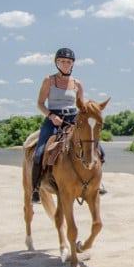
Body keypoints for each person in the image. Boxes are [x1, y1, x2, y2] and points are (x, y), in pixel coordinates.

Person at [29, 48, 106, 203]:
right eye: (62, 61)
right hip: (52, 119)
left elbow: (81, 106)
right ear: (57, 63)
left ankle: (98, 182)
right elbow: (39, 104)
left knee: (99, 151)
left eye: (68, 62)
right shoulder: (48, 80)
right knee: (39, 153)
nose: (65, 64)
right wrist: (51, 115)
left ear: (72, 64)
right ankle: (36, 189)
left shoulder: (77, 83)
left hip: (73, 119)